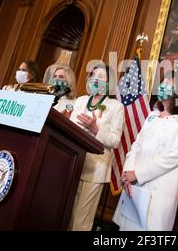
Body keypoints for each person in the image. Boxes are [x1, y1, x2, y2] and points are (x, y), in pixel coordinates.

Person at [112, 76, 178, 231]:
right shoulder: (152, 116)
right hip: (134, 184)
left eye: (168, 84)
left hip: (160, 190)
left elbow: (174, 157)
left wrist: (137, 174)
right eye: (162, 83)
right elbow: (136, 146)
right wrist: (127, 174)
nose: (162, 86)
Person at [68, 63, 124, 231]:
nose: (96, 79)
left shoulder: (116, 107)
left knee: (80, 222)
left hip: (95, 168)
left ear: (110, 83)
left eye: (101, 77)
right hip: (73, 162)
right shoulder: (80, 101)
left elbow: (115, 141)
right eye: (93, 76)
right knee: (65, 214)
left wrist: (95, 129)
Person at [0, 60, 41, 137]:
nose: (19, 72)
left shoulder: (36, 96)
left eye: (23, 70)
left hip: (15, 135)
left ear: (32, 74)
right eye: (19, 69)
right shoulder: (7, 89)